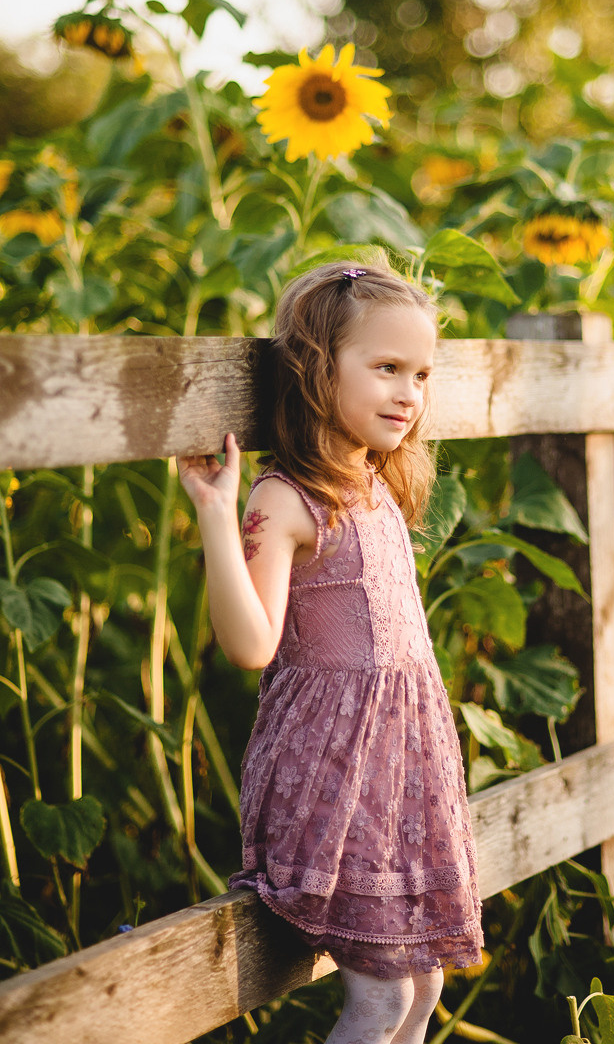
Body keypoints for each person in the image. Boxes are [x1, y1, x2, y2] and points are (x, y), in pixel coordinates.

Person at [177, 261, 483, 1044]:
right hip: (336, 780)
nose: (409, 393)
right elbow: (251, 645)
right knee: (380, 1000)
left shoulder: (377, 483)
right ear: (316, 371)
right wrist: (217, 515)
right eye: (385, 369)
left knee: (423, 988)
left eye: (419, 373)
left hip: (402, 775)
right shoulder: (286, 498)